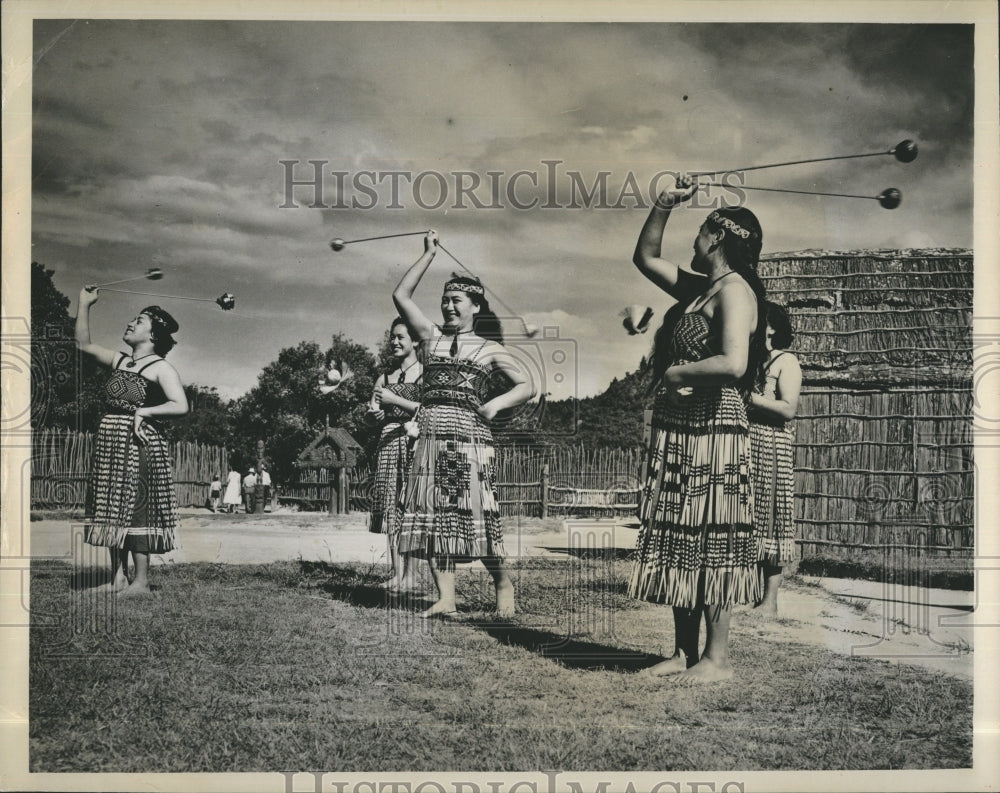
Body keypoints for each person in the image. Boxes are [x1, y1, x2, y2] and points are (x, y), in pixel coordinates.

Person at [627, 175, 769, 682]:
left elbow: (733, 363)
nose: (695, 240)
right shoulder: (700, 289)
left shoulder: (736, 293)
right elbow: (646, 259)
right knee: (679, 533)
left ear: (718, 238)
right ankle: (683, 651)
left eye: (701, 231)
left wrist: (674, 373)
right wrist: (663, 203)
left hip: (715, 430)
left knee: (712, 533)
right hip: (683, 428)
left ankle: (717, 659)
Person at [392, 230, 535, 618]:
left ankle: (503, 584)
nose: (448, 307)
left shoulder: (490, 348)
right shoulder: (430, 338)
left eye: (456, 300)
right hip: (431, 434)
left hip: (470, 437)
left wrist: (494, 405)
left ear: (474, 306)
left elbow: (527, 385)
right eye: (444, 301)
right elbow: (401, 296)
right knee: (436, 514)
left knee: (477, 515)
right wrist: (428, 254)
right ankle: (446, 598)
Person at [75, 287, 189, 595]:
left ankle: (141, 581)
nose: (130, 324)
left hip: (139, 442)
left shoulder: (161, 368)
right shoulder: (120, 361)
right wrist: (85, 304)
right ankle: (118, 578)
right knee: (112, 504)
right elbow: (83, 345)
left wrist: (144, 410)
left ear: (153, 335)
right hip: (111, 440)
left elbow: (180, 405)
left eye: (138, 321)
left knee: (137, 505)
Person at [748, 301, 802, 616]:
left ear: (771, 328)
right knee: (749, 517)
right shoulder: (745, 360)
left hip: (770, 444)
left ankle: (769, 603)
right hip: (744, 443)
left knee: (772, 517)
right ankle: (750, 596)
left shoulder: (786, 361)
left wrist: (749, 397)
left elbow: (788, 408)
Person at [366, 317, 423, 591]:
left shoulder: (426, 375)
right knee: (390, 507)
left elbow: (427, 410)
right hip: (388, 443)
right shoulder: (384, 378)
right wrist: (374, 413)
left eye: (401, 337)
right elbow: (372, 414)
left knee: (410, 507)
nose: (395, 342)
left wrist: (394, 400)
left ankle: (411, 576)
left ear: (415, 340)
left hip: (413, 441)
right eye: (393, 337)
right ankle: (396, 573)